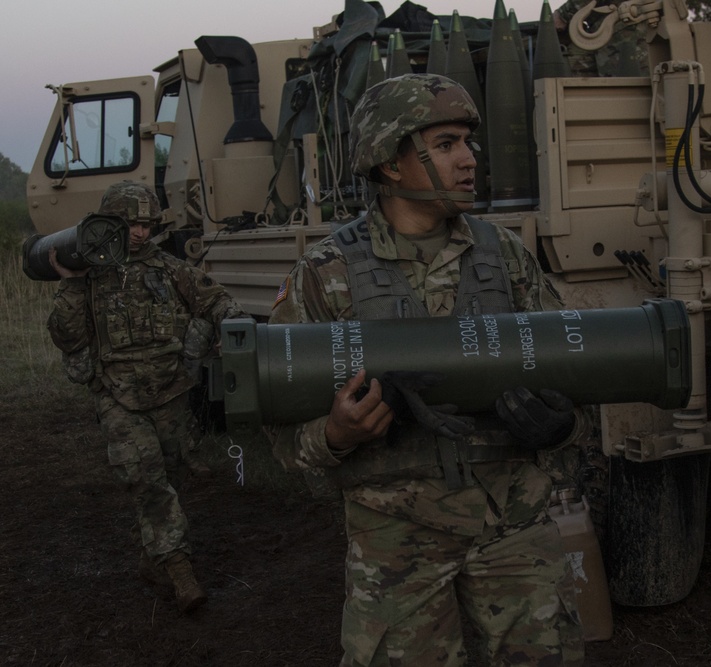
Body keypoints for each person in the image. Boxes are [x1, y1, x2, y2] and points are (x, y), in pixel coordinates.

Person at [268, 73, 587, 665]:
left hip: (514, 524)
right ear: (389, 162)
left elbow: (578, 378)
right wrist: (335, 435)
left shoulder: (505, 255)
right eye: (445, 145)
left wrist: (561, 428)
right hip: (397, 540)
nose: (469, 160)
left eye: (469, 143)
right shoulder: (326, 274)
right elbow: (280, 437)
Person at [46, 181, 246, 614]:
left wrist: (231, 324)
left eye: (145, 224)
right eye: (129, 223)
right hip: (117, 396)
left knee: (172, 480)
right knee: (147, 480)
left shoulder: (171, 269)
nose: (138, 233)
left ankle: (151, 557)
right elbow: (67, 337)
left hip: (171, 390)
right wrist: (73, 285)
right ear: (109, 224)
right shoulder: (89, 275)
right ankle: (180, 570)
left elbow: (216, 299)